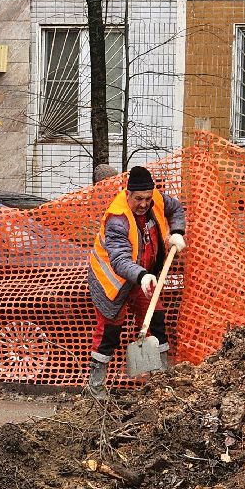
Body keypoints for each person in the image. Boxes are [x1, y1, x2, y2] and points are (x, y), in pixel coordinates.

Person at [86, 164, 186, 398]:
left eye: (147, 198)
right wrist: (141, 275)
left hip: (144, 276)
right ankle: (96, 387)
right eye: (138, 198)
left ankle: (161, 381)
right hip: (113, 283)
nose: (144, 204)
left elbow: (176, 209)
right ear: (127, 194)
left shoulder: (156, 199)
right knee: (110, 332)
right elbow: (119, 260)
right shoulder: (117, 219)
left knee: (157, 319)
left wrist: (178, 231)